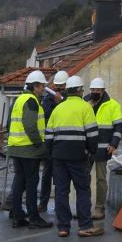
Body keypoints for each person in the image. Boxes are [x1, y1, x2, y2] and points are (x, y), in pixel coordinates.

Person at [45, 74, 102, 237]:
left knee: (61, 191)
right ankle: (85, 226)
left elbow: (48, 135)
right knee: (83, 190)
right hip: (78, 157)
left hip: (59, 157)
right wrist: (90, 151)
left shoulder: (58, 108)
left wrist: (52, 153)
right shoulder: (86, 108)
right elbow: (92, 134)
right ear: (79, 91)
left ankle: (63, 227)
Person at [7, 70, 53, 229]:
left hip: (15, 147)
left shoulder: (18, 99)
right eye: (41, 87)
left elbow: (8, 125)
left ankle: (18, 215)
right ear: (35, 86)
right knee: (32, 183)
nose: (43, 90)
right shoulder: (32, 101)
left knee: (19, 181)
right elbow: (30, 126)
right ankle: (34, 217)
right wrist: (40, 145)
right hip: (29, 149)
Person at [85, 77, 122, 220]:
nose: (94, 92)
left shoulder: (112, 105)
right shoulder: (84, 103)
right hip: (86, 149)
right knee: (84, 178)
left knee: (101, 179)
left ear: (103, 91)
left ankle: (99, 208)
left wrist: (114, 143)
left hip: (103, 148)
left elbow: (119, 126)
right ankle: (84, 207)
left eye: (97, 90)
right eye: (93, 90)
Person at [38, 69, 69, 213]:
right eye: (58, 86)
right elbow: (47, 117)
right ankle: (43, 203)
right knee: (47, 174)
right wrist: (55, 103)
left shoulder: (69, 98)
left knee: (61, 177)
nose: (59, 89)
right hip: (51, 142)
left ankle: (59, 205)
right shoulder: (49, 98)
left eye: (62, 87)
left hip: (63, 142)